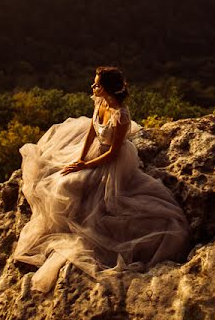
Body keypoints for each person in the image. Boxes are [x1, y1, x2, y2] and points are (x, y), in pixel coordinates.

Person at [13, 66, 190, 292]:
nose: (92, 87)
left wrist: (86, 165)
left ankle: (78, 224)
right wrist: (80, 156)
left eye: (96, 84)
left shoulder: (121, 115)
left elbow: (113, 153)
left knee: (69, 186)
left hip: (110, 161)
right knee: (55, 177)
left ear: (106, 88)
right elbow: (90, 131)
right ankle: (68, 218)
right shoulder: (100, 102)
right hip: (93, 152)